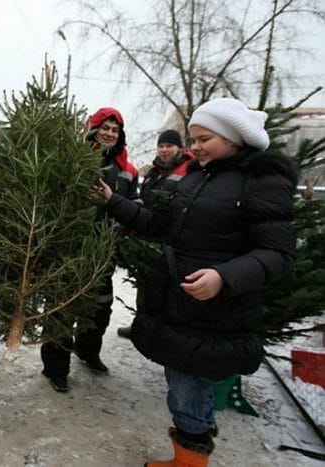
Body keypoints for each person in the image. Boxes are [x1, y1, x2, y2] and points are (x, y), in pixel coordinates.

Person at [90, 98, 296, 466]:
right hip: (180, 304)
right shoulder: (198, 177)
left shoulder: (262, 182)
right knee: (182, 385)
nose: (194, 147)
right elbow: (158, 222)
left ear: (232, 137)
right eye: (193, 139)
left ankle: (190, 462)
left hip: (216, 312)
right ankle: (185, 457)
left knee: (190, 391)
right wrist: (111, 201)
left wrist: (224, 276)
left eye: (204, 139)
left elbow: (277, 254)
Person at [40, 107, 138, 393]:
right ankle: (55, 369)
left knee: (100, 308)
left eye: (114, 129)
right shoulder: (75, 160)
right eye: (104, 127)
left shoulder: (127, 171)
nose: (109, 133)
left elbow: (133, 207)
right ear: (93, 128)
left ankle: (88, 352)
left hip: (103, 253)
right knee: (61, 309)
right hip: (70, 249)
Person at [116, 129, 194, 339]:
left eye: (169, 146)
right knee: (145, 285)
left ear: (179, 148)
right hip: (147, 235)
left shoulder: (189, 169)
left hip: (169, 240)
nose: (165, 150)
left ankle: (160, 331)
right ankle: (141, 326)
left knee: (165, 289)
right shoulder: (154, 172)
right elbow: (146, 200)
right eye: (161, 146)